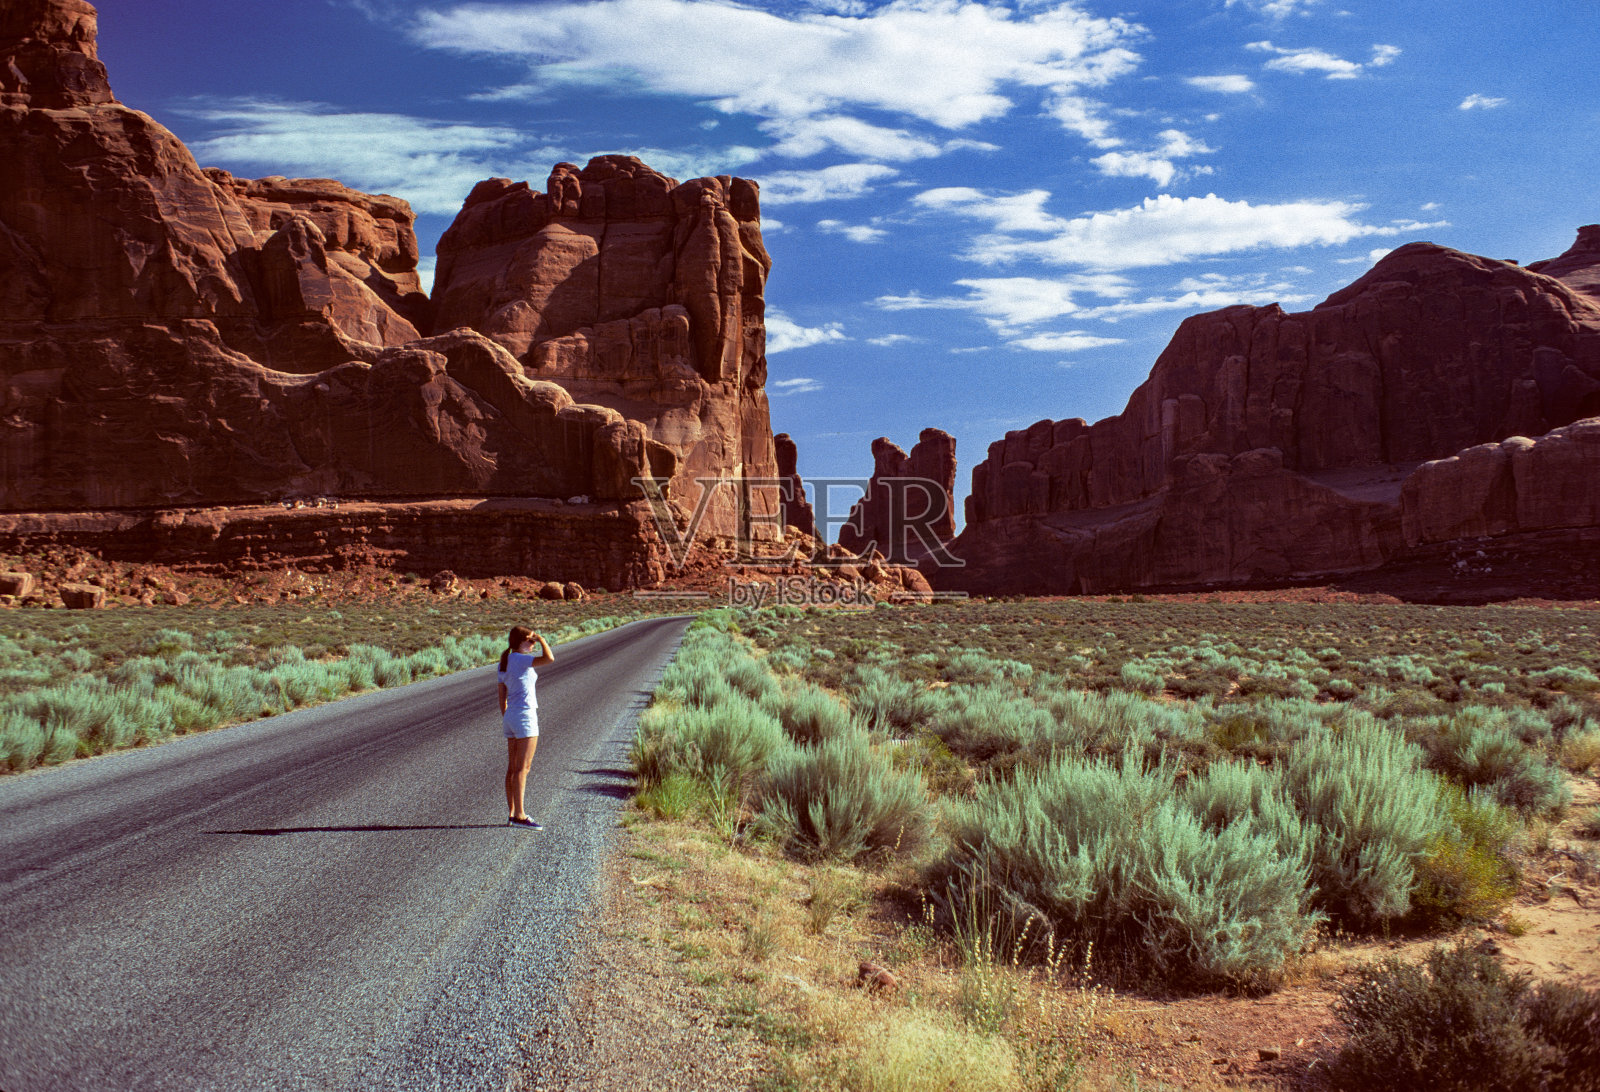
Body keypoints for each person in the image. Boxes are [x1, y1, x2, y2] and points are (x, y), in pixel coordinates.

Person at [497, 625, 554, 828]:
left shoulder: (504, 661)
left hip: (511, 715)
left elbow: (501, 695)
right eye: (530, 640)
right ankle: (520, 815)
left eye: (533, 640)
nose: (532, 643)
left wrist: (508, 717)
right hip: (525, 716)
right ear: (520, 641)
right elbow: (549, 659)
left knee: (512, 768)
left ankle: (512, 813)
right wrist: (542, 640)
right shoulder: (521, 659)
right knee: (523, 768)